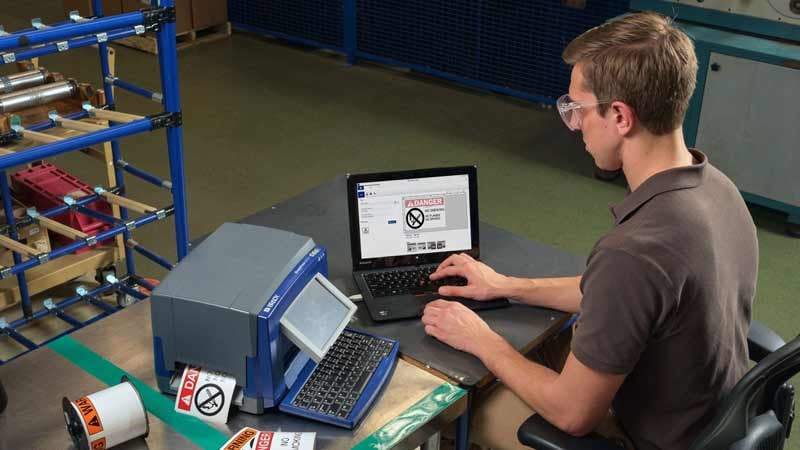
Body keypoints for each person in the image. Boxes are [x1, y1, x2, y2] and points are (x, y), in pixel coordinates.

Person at [422, 12, 758, 450]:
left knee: (460, 404)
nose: (575, 124)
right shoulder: (716, 188)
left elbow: (572, 414)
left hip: (641, 437)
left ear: (620, 116)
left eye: (578, 109)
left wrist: (482, 341)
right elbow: (625, 295)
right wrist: (507, 286)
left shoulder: (635, 252)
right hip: (703, 414)